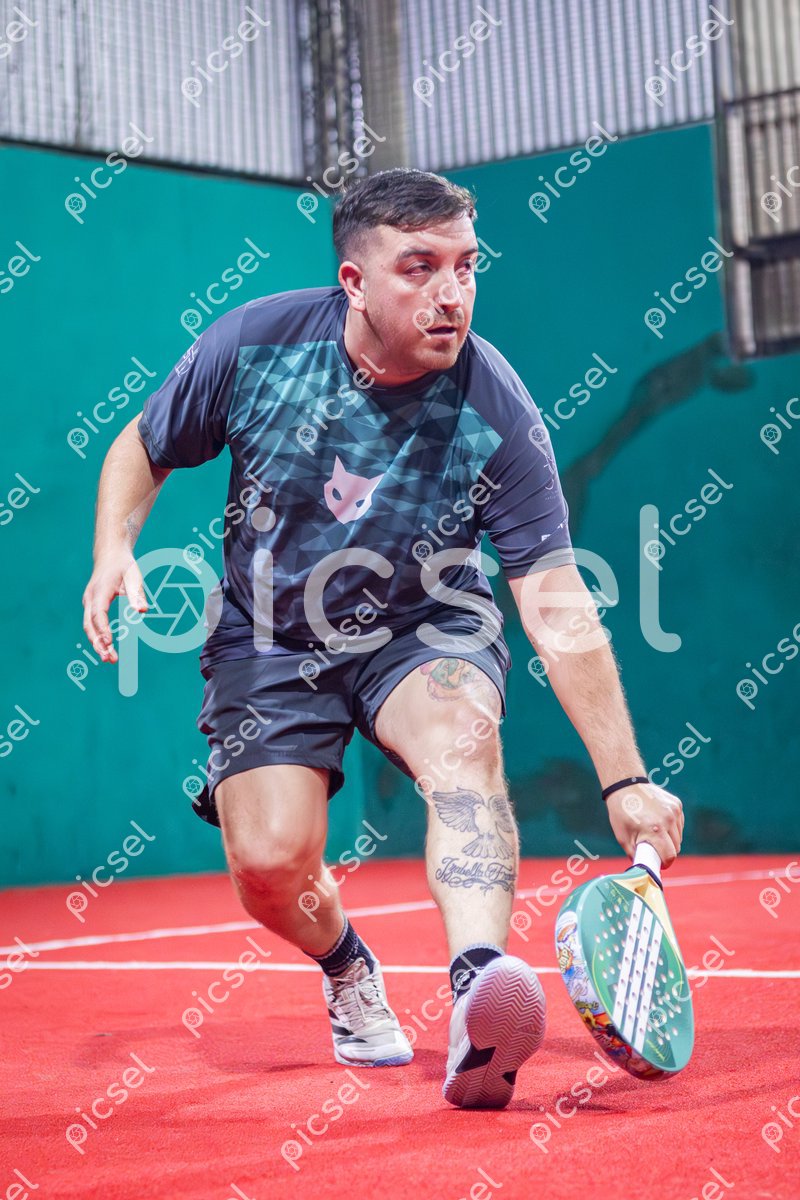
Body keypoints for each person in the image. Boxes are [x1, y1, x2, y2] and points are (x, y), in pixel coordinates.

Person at [82, 167, 683, 1109]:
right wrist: (114, 547)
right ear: (354, 282)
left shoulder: (496, 407)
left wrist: (625, 779)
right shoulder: (255, 345)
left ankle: (479, 995)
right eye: (420, 267)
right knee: (269, 866)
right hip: (271, 636)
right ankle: (347, 966)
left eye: (466, 266)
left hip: (424, 622)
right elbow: (143, 446)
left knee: (463, 743)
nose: (453, 294)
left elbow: (556, 599)